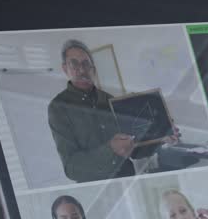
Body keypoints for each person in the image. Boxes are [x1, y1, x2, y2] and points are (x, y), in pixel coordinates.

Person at [47, 38, 178, 183]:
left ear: (93, 69)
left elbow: (134, 149)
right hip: (99, 189)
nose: (82, 70)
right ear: (65, 69)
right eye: (74, 64)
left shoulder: (111, 100)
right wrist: (110, 150)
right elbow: (72, 169)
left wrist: (161, 138)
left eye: (86, 64)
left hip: (128, 180)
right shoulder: (58, 107)